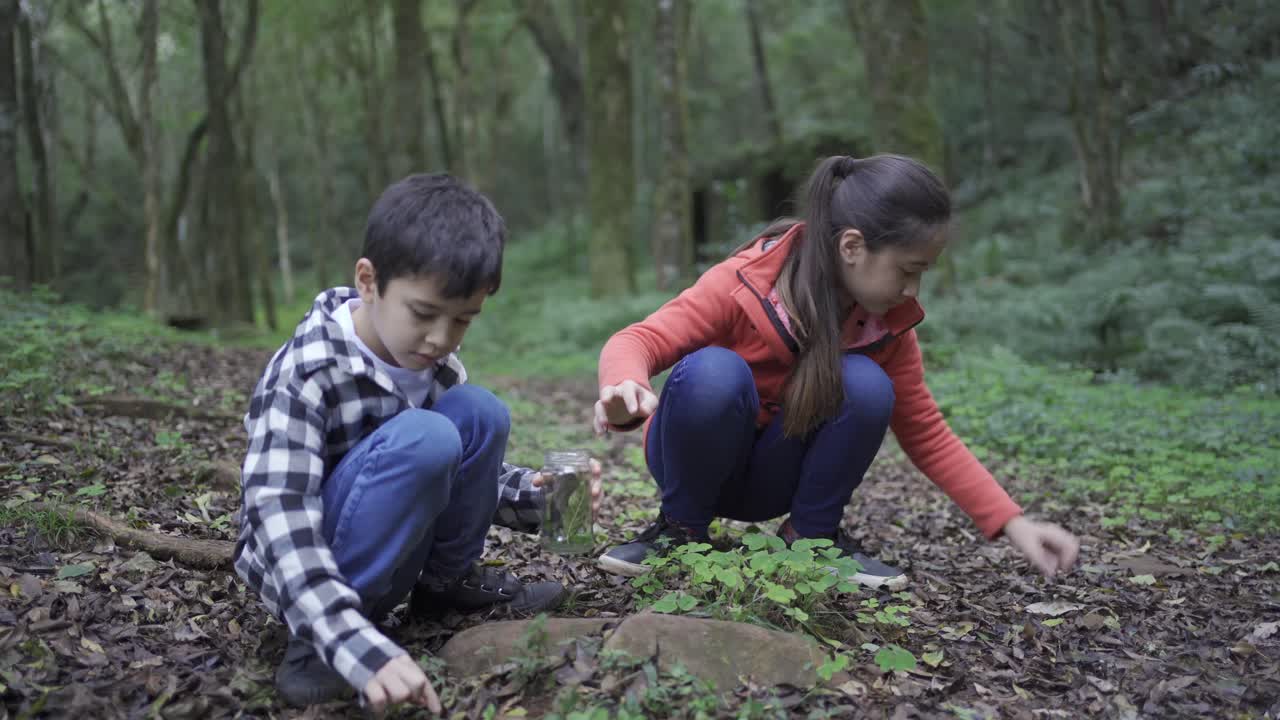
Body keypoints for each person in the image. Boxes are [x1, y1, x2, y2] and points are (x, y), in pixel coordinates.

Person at [592, 154, 1079, 589]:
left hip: (771, 479)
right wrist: (625, 386)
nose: (912, 289)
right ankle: (678, 531)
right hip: (691, 461)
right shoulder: (745, 282)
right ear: (852, 246)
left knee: (866, 384)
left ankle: (811, 540)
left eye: (922, 274)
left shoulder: (885, 327)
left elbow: (927, 432)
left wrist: (1013, 523)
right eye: (907, 270)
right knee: (714, 371)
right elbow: (639, 340)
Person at [236, 174, 600, 713]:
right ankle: (316, 647)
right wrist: (348, 640)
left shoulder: (438, 366)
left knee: (479, 412)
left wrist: (542, 499)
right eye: (424, 314)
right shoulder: (306, 372)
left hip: (398, 548)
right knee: (428, 435)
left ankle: (444, 585)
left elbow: (446, 472)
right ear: (368, 281)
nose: (441, 338)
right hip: (315, 581)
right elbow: (278, 512)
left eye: (463, 320)